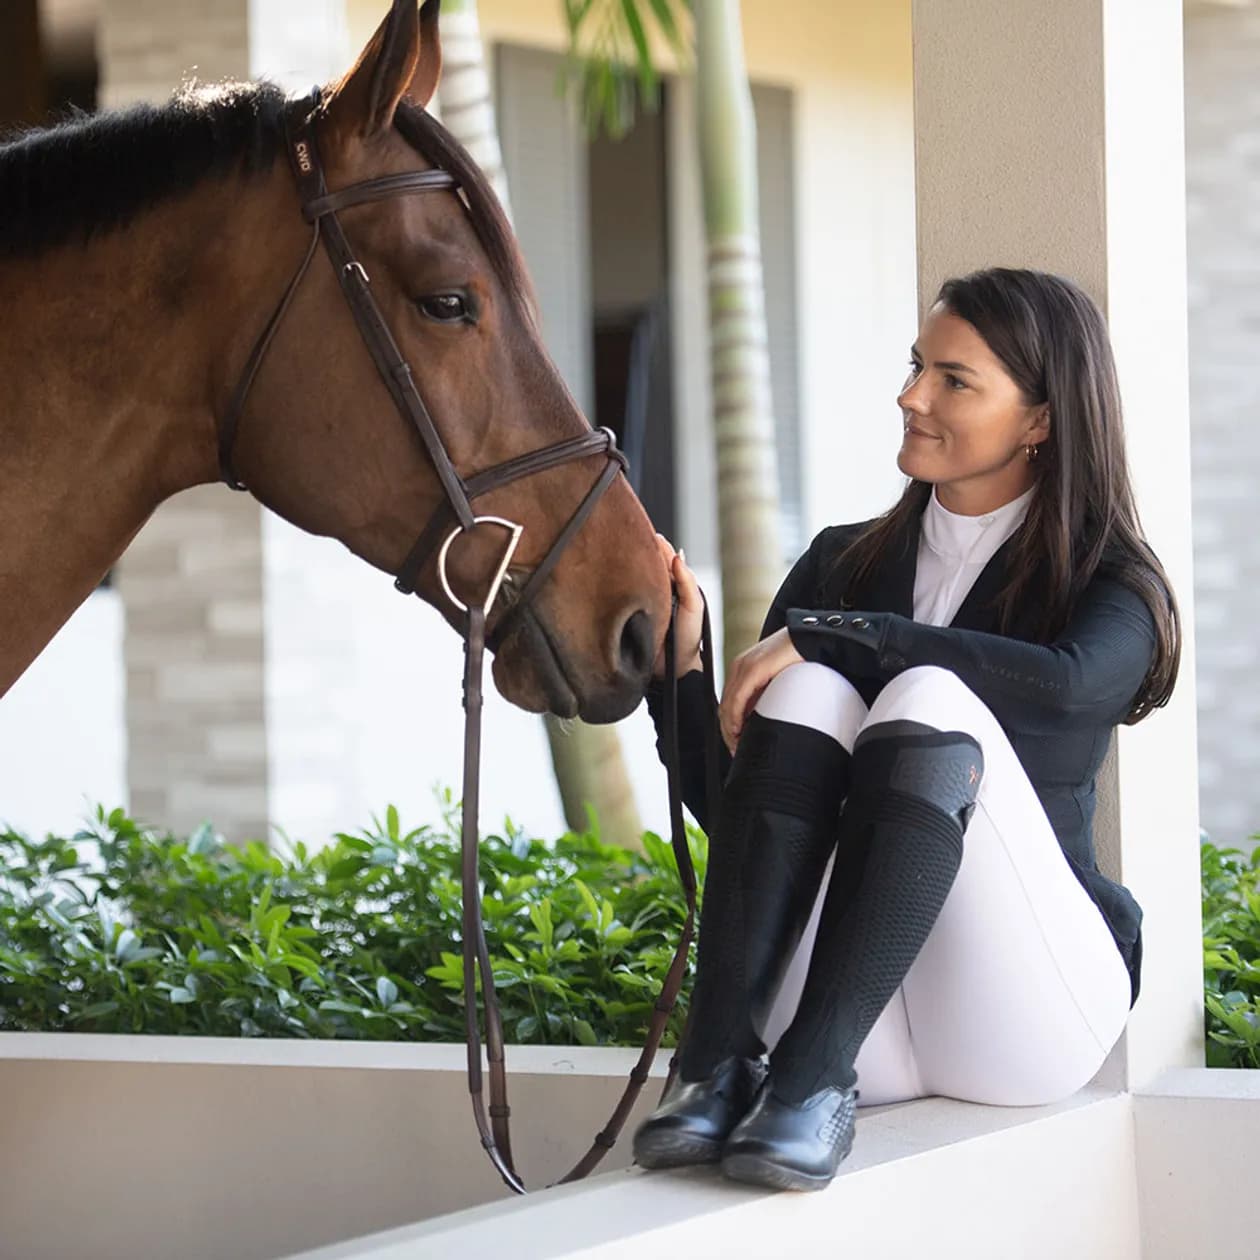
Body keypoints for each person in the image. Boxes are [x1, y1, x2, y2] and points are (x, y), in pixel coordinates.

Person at [632, 267, 1180, 1193]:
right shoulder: (841, 566)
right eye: (916, 366)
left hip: (1023, 1015)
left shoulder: (1108, 579)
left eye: (952, 380)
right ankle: (720, 1064)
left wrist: (850, 641)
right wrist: (677, 672)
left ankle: (803, 1084)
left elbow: (1063, 688)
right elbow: (747, 821)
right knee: (806, 700)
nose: (911, 396)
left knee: (923, 695)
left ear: (1041, 420)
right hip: (858, 1029)